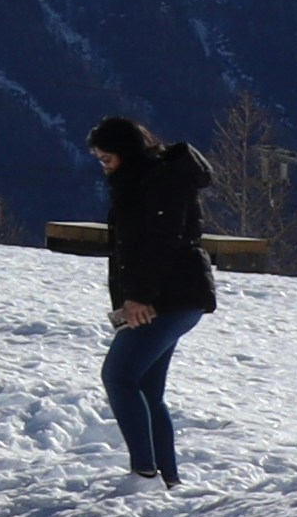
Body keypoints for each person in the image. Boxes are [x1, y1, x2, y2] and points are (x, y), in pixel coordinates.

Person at [89, 112, 217, 483]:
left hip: (170, 297)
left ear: (125, 152)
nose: (104, 167)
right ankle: (166, 479)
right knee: (145, 387)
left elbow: (163, 243)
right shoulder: (143, 178)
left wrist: (138, 297)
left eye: (107, 158)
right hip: (172, 297)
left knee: (118, 376)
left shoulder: (160, 180)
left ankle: (144, 473)